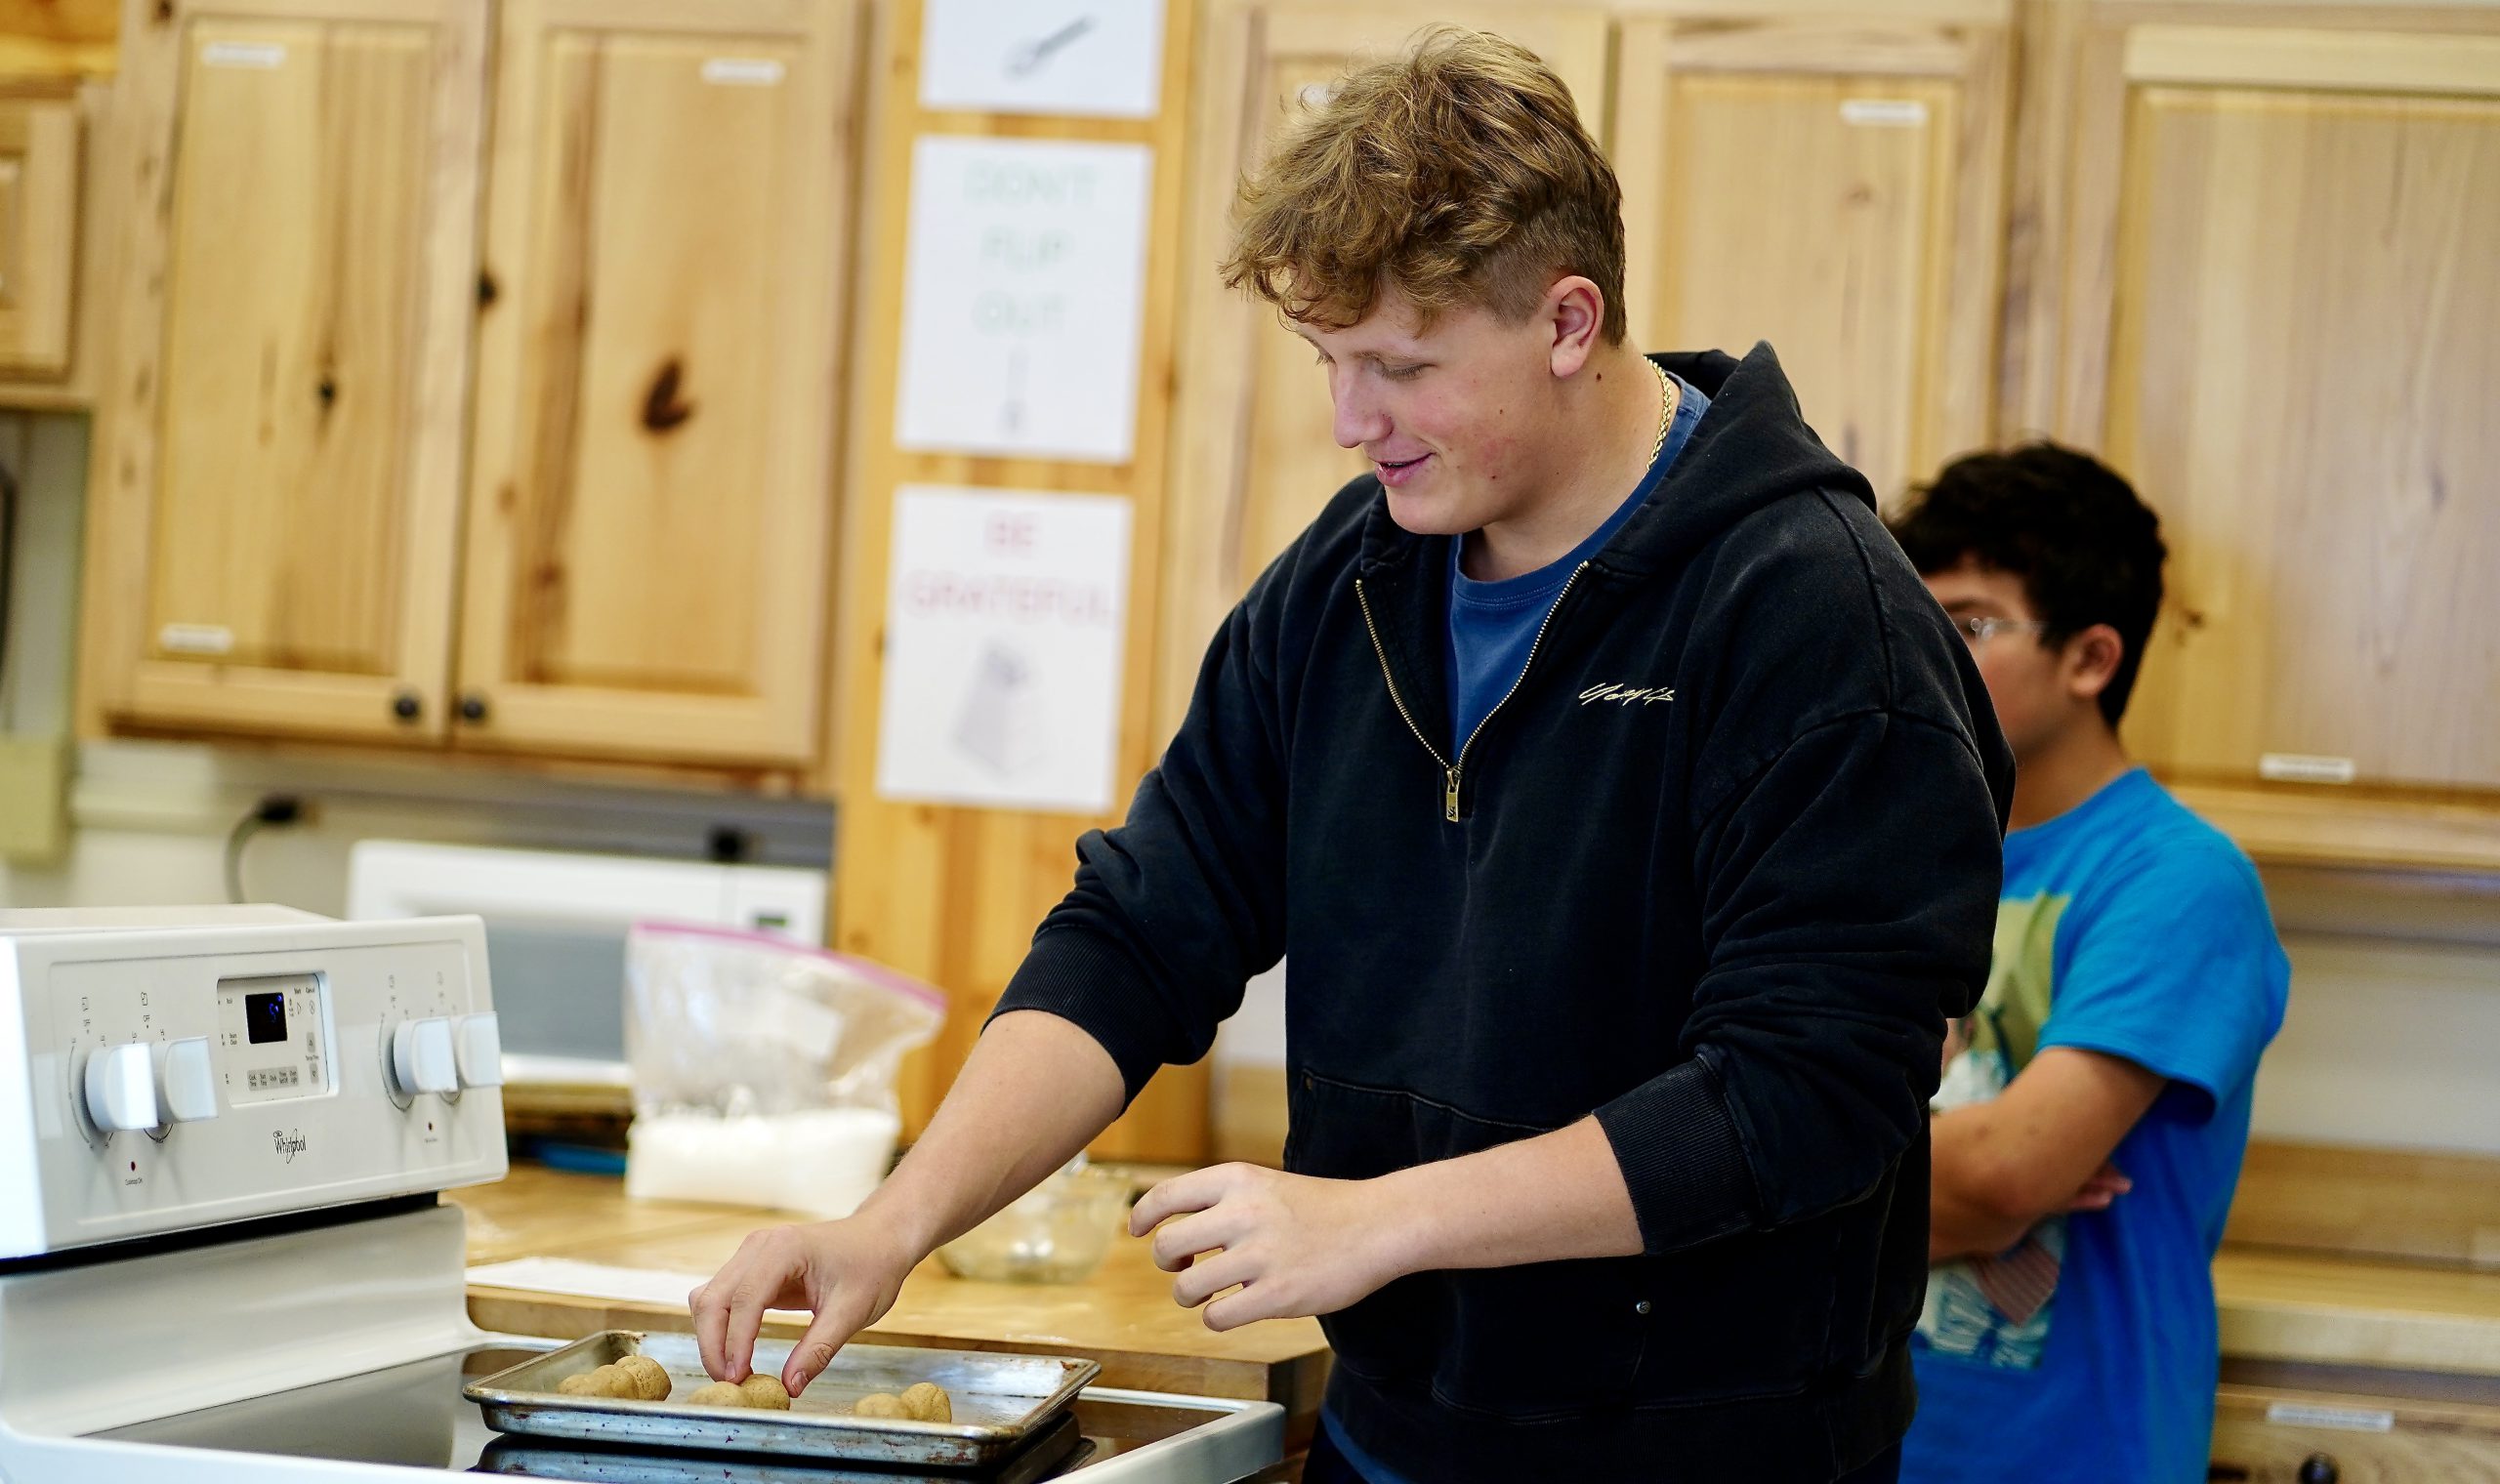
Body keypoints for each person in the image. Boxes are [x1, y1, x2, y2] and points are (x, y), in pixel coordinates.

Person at [689, 29, 2011, 1483]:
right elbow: (1141, 932)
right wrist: (891, 1224)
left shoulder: (1819, 621)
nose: (1348, 423)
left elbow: (1804, 1099)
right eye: (1330, 361)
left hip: (1714, 1452)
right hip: (1392, 1437)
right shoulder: (1354, 580)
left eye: (1399, 365)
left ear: (1570, 321)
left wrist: (1380, 1217)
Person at [1885, 444, 2289, 1483]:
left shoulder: (2178, 878)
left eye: (1968, 623)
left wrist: (1788, 1177)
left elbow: (2003, 1173)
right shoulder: (1885, 862)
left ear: (2090, 658)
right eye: (1911, 614)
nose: (1923, 650)